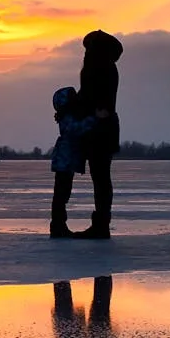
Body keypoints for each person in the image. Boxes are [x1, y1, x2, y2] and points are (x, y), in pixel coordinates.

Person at [73, 30, 123, 240]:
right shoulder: (105, 66)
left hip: (100, 128)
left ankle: (101, 225)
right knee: (101, 177)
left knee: (101, 177)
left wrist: (75, 108)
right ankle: (101, 223)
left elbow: (91, 97)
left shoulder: (100, 67)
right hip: (102, 126)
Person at [49, 87, 108, 238]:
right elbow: (77, 129)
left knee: (63, 194)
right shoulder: (67, 117)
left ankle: (59, 224)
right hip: (64, 160)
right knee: (61, 194)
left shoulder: (68, 115)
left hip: (66, 161)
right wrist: (95, 118)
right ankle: (57, 225)